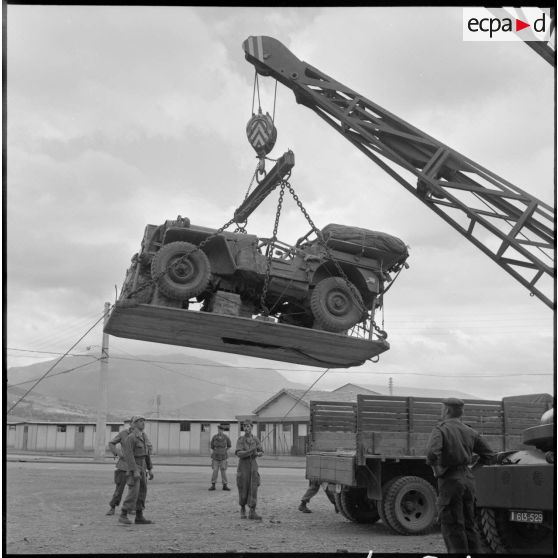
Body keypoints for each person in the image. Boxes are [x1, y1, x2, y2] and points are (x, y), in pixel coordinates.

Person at [426, 397, 495, 554]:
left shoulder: (441, 429)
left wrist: (436, 470)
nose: (441, 411)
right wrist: (472, 469)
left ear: (447, 410)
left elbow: (431, 453)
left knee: (452, 527)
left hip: (450, 481)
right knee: (469, 526)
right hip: (467, 480)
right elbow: (489, 455)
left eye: (442, 408)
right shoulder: (470, 431)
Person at [118, 416, 154, 525]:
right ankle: (123, 514)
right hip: (135, 466)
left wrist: (150, 468)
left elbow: (146, 454)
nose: (143, 423)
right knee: (134, 492)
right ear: (134, 424)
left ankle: (139, 516)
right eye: (140, 421)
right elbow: (129, 455)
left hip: (143, 467)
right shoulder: (131, 437)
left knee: (142, 492)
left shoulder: (143, 436)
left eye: (144, 421)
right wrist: (134, 470)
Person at [235, 420, 264, 520]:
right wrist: (250, 451)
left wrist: (257, 453)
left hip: (253, 466)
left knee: (253, 488)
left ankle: (252, 511)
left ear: (251, 427)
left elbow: (261, 451)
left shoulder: (256, 439)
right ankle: (243, 509)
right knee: (243, 487)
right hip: (243, 466)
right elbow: (239, 453)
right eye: (244, 426)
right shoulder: (240, 440)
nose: (246, 428)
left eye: (248, 426)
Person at [209, 424, 232, 491]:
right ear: (218, 430)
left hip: (223, 456)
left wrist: (225, 450)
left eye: (221, 430)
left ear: (223, 430)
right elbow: (212, 446)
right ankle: (213, 485)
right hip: (215, 456)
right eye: (219, 430)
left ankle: (225, 485)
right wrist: (216, 451)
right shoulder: (214, 437)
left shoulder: (226, 437)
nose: (220, 431)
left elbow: (229, 445)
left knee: (223, 470)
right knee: (215, 470)